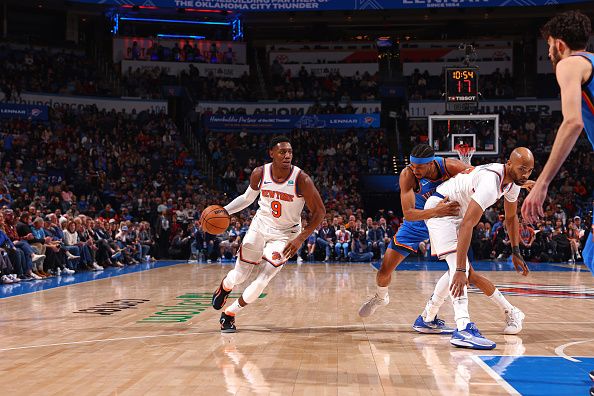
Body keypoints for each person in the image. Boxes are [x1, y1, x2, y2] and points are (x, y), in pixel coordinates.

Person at [359, 144, 527, 336]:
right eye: (412, 166)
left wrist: (518, 181)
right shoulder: (408, 175)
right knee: (384, 270)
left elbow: (476, 176)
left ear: (431, 163)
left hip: (446, 220)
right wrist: (437, 211)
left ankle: (439, 318)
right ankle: (381, 297)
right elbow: (409, 214)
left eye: (419, 167)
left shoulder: (450, 166)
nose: (414, 170)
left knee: (461, 271)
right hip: (419, 220)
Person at [420, 148, 533, 349]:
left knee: (460, 271)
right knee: (459, 270)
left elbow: (511, 217)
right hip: (441, 209)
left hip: (457, 213)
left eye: (529, 171)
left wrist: (516, 251)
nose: (525, 175)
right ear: (509, 163)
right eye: (522, 169)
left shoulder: (513, 183)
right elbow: (467, 225)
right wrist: (461, 269)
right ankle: (463, 327)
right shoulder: (491, 183)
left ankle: (427, 317)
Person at [211, 136, 326, 333]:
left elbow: (320, 212)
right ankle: (225, 287)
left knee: (263, 279)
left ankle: (229, 314)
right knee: (240, 275)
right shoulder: (259, 173)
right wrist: (225, 211)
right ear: (271, 153)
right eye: (282, 152)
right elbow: (247, 198)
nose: (287, 155)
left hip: (286, 235)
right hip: (260, 226)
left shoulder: (301, 179)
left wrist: (300, 239)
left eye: (290, 152)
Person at [522, 10, 593, 271]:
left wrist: (542, 183)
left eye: (549, 45)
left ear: (560, 44)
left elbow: (573, 121)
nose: (549, 53)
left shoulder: (569, 64)